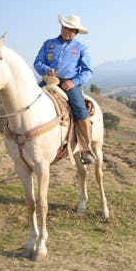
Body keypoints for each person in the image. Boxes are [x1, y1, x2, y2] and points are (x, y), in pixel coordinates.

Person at [34, 13, 96, 164]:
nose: (67, 31)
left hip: (70, 83)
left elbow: (88, 71)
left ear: (76, 32)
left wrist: (74, 82)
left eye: (71, 30)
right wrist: (46, 69)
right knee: (30, 99)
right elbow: (37, 62)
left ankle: (86, 148)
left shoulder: (81, 48)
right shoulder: (48, 44)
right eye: (65, 27)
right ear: (61, 27)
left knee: (81, 110)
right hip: (49, 80)